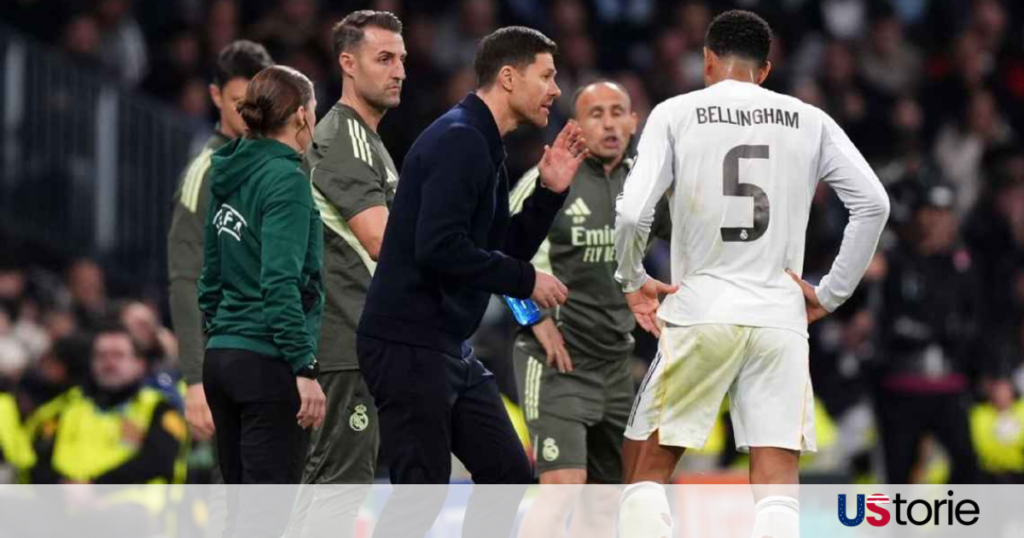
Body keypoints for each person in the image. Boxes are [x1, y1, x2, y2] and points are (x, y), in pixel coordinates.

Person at [613, 10, 889, 538]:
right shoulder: (809, 118)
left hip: (701, 307)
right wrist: (829, 293)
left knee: (645, 471)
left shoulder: (676, 112)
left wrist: (631, 278)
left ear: (707, 61)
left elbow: (631, 213)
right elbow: (873, 204)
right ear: (766, 70)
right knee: (777, 483)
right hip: (780, 314)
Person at [356, 24, 587, 537]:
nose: (556, 89)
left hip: (444, 344)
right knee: (422, 494)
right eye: (546, 76)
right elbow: (438, 248)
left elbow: (494, 248)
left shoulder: (482, 142)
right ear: (508, 77)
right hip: (407, 341)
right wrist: (527, 280)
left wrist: (548, 194)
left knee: (506, 471)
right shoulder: (460, 140)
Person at [511, 80, 669, 537]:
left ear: (635, 122)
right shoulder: (551, 177)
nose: (609, 123)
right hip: (558, 362)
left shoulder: (648, 188)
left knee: (604, 503)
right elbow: (497, 252)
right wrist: (533, 318)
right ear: (576, 125)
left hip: (616, 365)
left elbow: (694, 239)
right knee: (563, 487)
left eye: (618, 111)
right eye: (596, 113)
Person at [287, 11, 404, 538]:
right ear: (348, 64)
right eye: (384, 58)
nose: (399, 70)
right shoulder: (346, 138)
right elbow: (385, 243)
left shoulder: (370, 142)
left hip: (350, 340)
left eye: (402, 58)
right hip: (344, 340)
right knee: (339, 484)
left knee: (325, 483)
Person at [198, 64, 326, 490]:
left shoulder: (227, 176)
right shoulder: (287, 181)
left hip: (221, 359)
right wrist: (303, 367)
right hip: (267, 362)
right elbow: (279, 283)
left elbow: (210, 280)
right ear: (303, 116)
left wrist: (222, 335)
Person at [167, 40, 274, 446]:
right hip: (231, 362)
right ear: (214, 96)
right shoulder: (206, 175)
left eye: (258, 103)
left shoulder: (283, 162)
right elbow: (183, 279)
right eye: (236, 102)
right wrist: (194, 381)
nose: (249, 116)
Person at [873, 182, 982, 483]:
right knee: (899, 471)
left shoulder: (963, 265)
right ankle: (900, 530)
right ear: (916, 216)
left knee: (968, 465)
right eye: (930, 212)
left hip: (949, 384)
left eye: (944, 213)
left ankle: (958, 526)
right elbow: (886, 321)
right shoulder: (894, 261)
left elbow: (975, 322)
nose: (936, 220)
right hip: (901, 384)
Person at [23, 323, 186, 484]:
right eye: (101, 355)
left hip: (134, 506)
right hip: (67, 504)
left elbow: (160, 461)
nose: (109, 362)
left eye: (118, 355)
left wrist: (96, 487)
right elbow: (34, 459)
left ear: (140, 364)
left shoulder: (160, 408)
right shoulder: (63, 408)